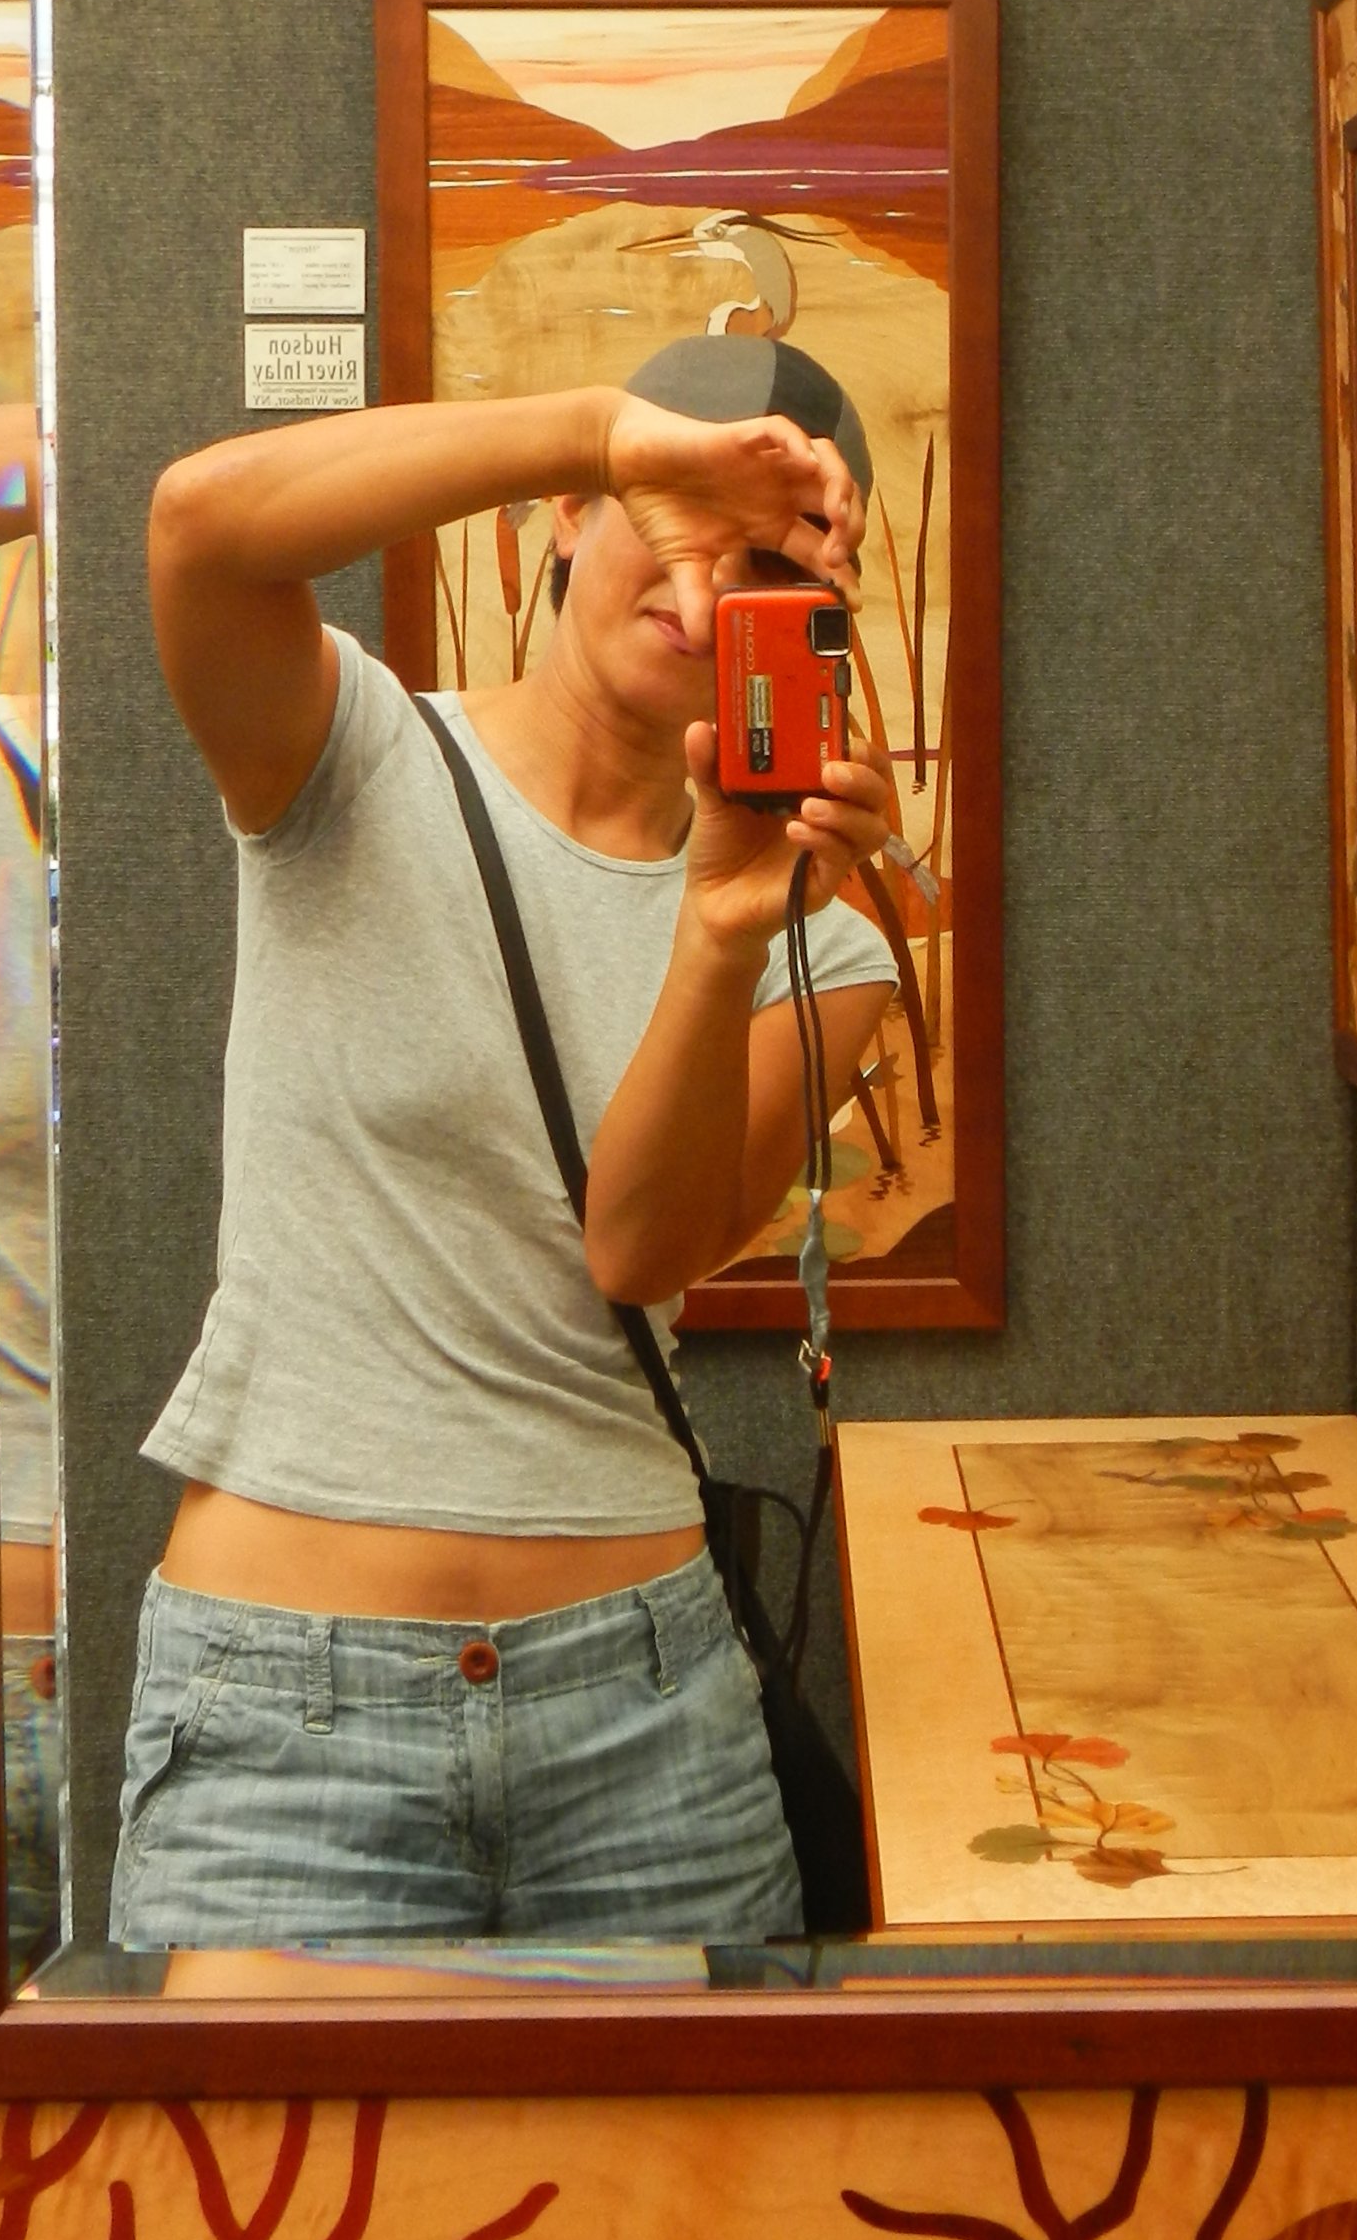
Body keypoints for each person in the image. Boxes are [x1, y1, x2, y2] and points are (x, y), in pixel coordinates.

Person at [107, 333, 901, 1951]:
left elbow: (640, 1246)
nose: (705, 588)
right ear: (567, 514)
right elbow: (199, 526)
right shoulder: (350, 751)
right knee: (245, 2138)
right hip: (286, 1712)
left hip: (645, 1723)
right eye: (674, 523)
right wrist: (606, 430)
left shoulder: (821, 944)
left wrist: (723, 930)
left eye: (764, 567)